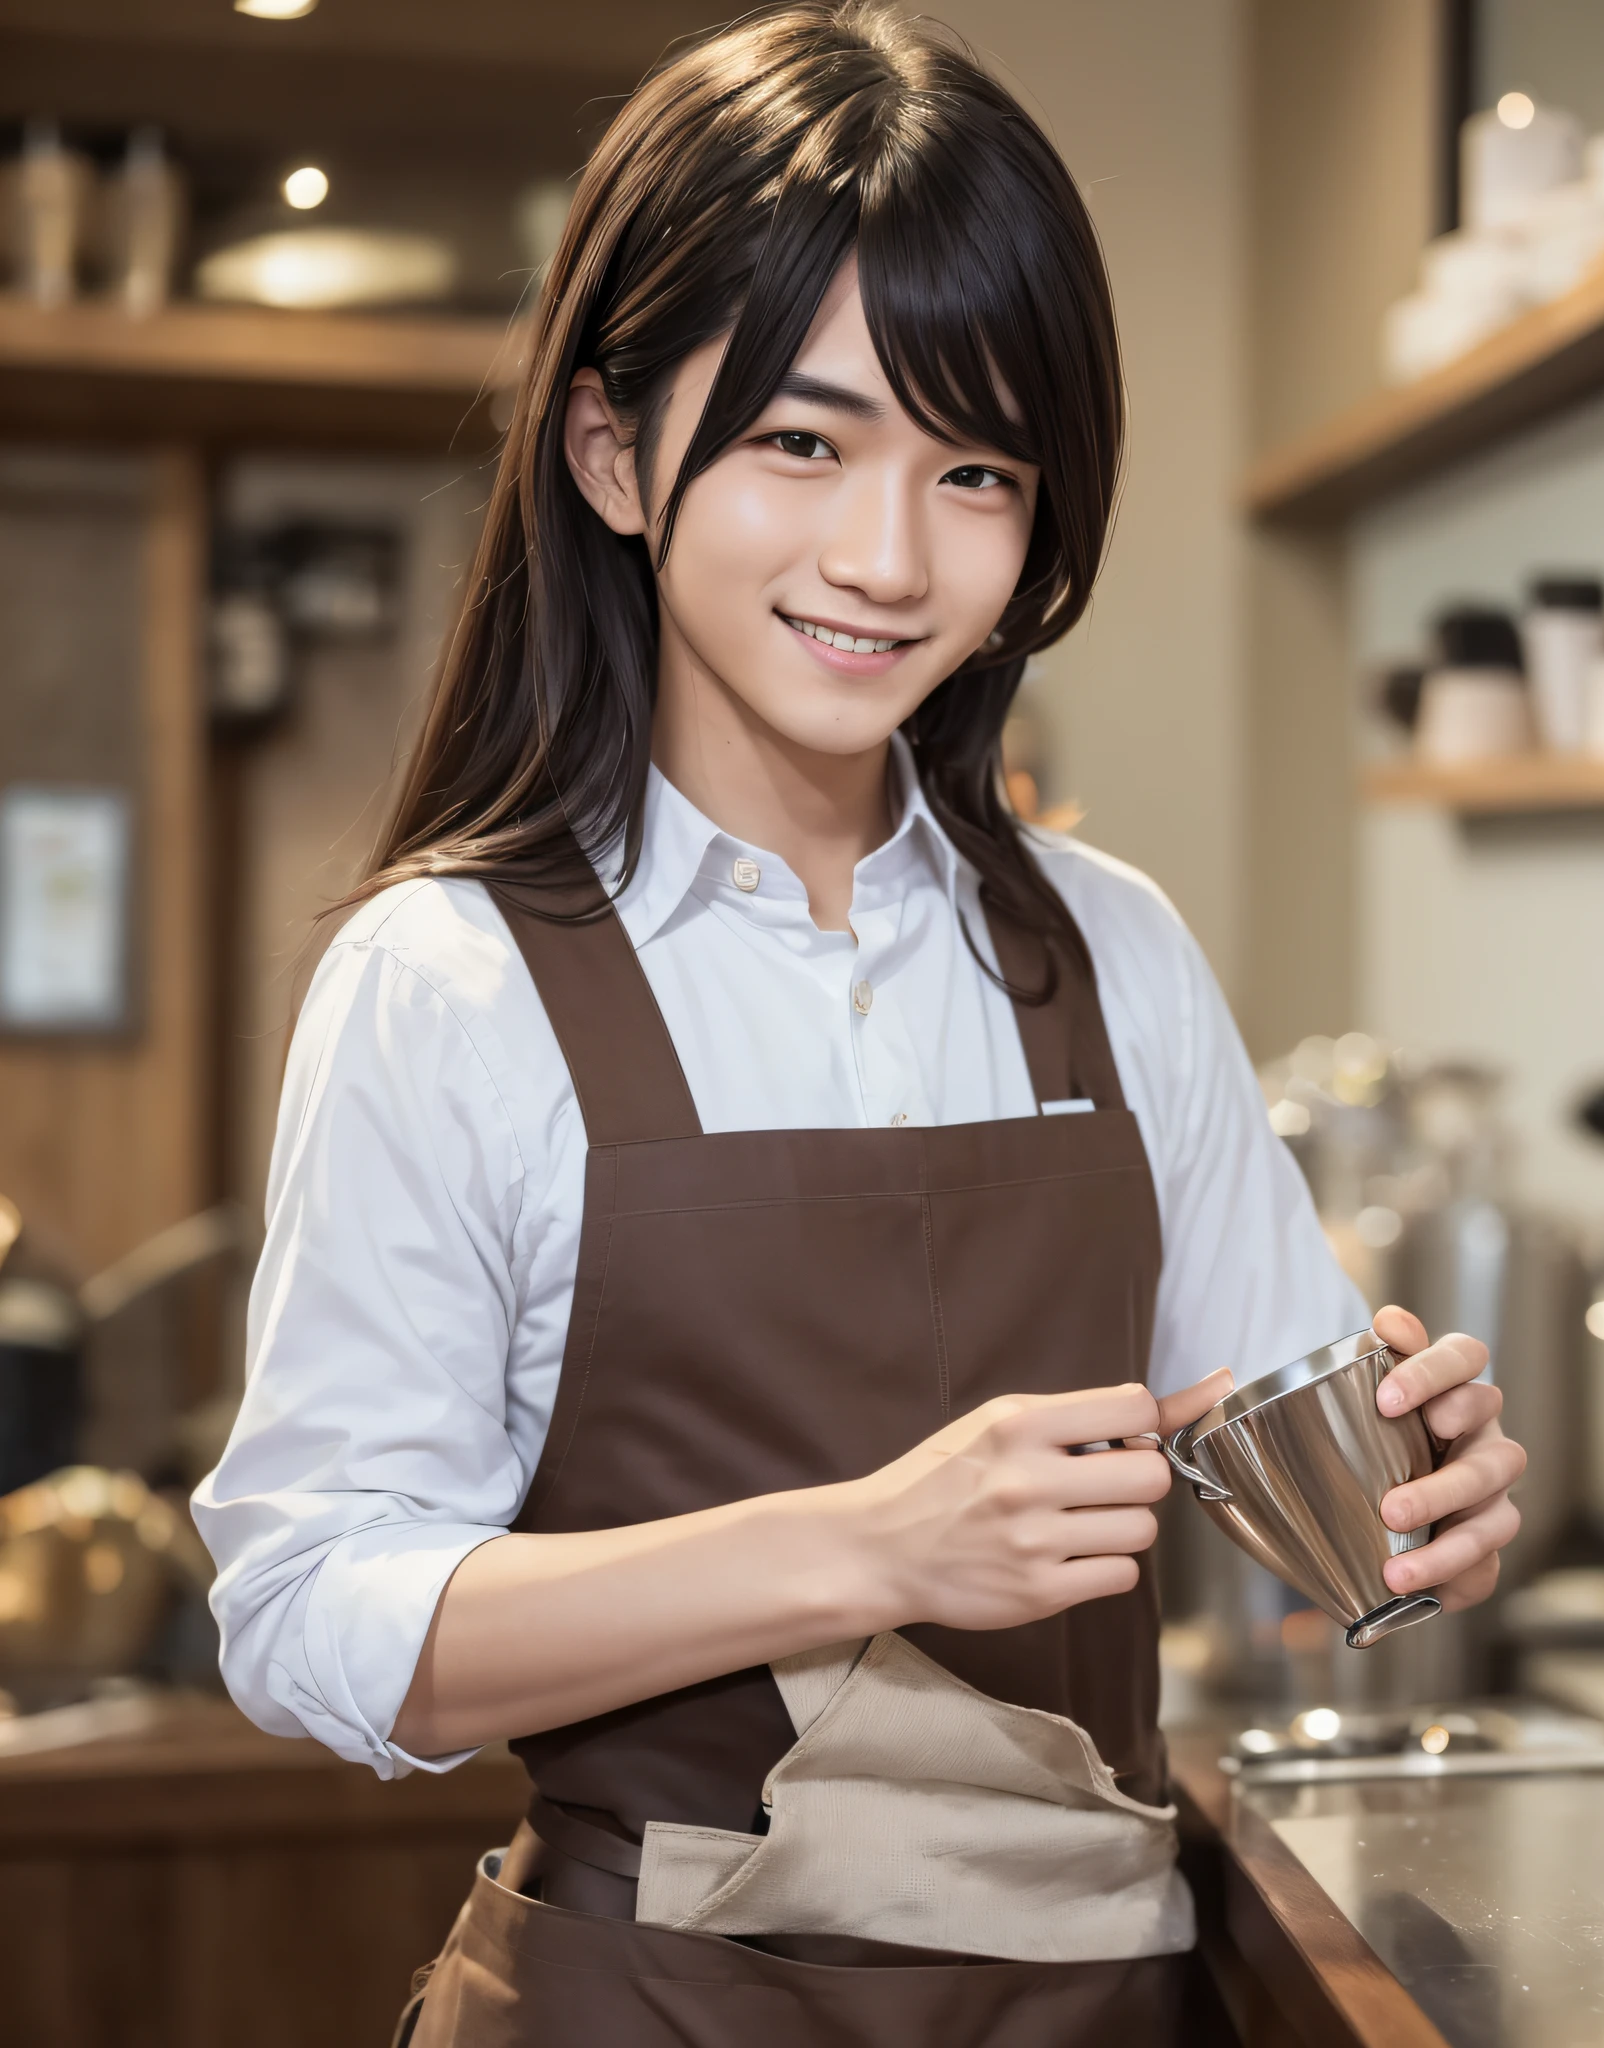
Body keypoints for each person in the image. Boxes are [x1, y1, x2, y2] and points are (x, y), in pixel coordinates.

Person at [194, 8, 1526, 2043]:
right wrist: (861, 1545)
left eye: (973, 468)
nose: (888, 559)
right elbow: (307, 1619)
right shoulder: (449, 980)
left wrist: (1421, 1502)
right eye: (805, 442)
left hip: (1097, 1998)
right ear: (614, 450)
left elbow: (1311, 1500)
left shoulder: (1111, 951)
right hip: (644, 1994)